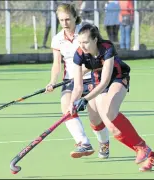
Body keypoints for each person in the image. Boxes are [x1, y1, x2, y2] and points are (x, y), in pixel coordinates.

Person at [68, 24, 154, 172]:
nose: (82, 46)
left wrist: (84, 99)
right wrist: (72, 104)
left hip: (117, 78)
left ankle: (142, 148)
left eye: (85, 42)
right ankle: (150, 154)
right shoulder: (79, 54)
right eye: (80, 42)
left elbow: (105, 81)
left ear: (95, 40)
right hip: (97, 83)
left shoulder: (107, 48)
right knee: (107, 126)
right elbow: (78, 87)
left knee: (111, 113)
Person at [45, 3, 110, 159]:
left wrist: (85, 70)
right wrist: (52, 81)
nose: (65, 23)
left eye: (68, 19)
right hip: (70, 80)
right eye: (61, 20)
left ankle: (104, 143)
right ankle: (83, 143)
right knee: (67, 107)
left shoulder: (86, 32)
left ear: (75, 17)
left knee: (94, 118)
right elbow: (56, 64)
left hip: (92, 77)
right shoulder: (57, 39)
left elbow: (99, 56)